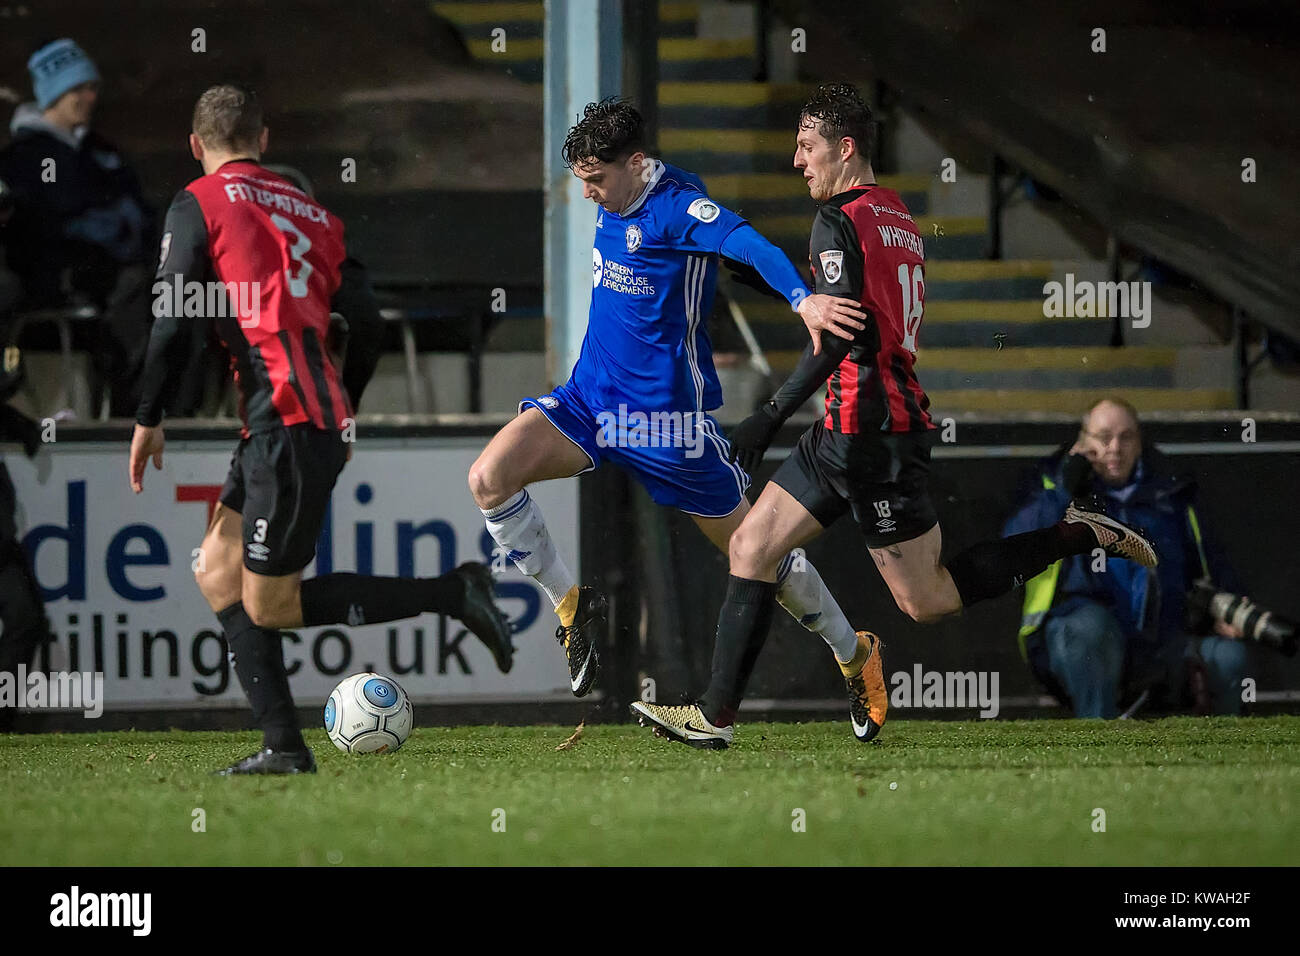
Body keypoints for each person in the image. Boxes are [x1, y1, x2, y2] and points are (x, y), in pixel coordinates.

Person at [630, 84, 1158, 748]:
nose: (798, 161)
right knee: (752, 546)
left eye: (807, 146)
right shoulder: (896, 214)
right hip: (847, 429)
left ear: (844, 148)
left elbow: (845, 332)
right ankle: (716, 717)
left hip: (875, 436)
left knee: (927, 599)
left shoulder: (837, 219)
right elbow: (858, 302)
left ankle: (1077, 535)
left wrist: (766, 417)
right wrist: (775, 286)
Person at [129, 84, 512, 775]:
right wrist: (347, 400)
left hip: (286, 423)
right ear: (265, 140)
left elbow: (171, 313)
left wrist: (148, 415)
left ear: (196, 145)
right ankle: (282, 747)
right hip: (292, 421)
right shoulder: (314, 212)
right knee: (218, 571)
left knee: (268, 603)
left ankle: (451, 593)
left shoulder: (201, 200)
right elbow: (364, 323)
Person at [468, 98, 873, 723]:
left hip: (665, 426)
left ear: (636, 163)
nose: (589, 195)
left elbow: (745, 240)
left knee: (756, 551)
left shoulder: (678, 207)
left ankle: (854, 654)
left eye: (597, 181)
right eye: (582, 182)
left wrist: (803, 299)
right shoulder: (616, 193)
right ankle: (571, 604)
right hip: (589, 402)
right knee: (490, 478)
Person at [1005, 398, 1248, 717]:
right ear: (1083, 442)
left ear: (1139, 442)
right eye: (1104, 437)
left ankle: (1225, 759)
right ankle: (1100, 748)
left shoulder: (1171, 495)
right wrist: (1067, 491)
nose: (1115, 448)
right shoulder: (1051, 486)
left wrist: (1228, 612)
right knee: (1092, 631)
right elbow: (1015, 545)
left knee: (1229, 657)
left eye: (1126, 437)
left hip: (1162, 641)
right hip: (1080, 640)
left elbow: (1211, 563)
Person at [0, 39, 155, 416]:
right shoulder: (25, 155)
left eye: (92, 88)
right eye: (78, 88)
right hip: (59, 275)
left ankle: (157, 412)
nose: (89, 96)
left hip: (118, 267)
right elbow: (45, 220)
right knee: (136, 294)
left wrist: (119, 226)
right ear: (55, 92)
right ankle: (130, 416)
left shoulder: (102, 151)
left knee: (175, 291)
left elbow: (139, 210)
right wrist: (105, 226)